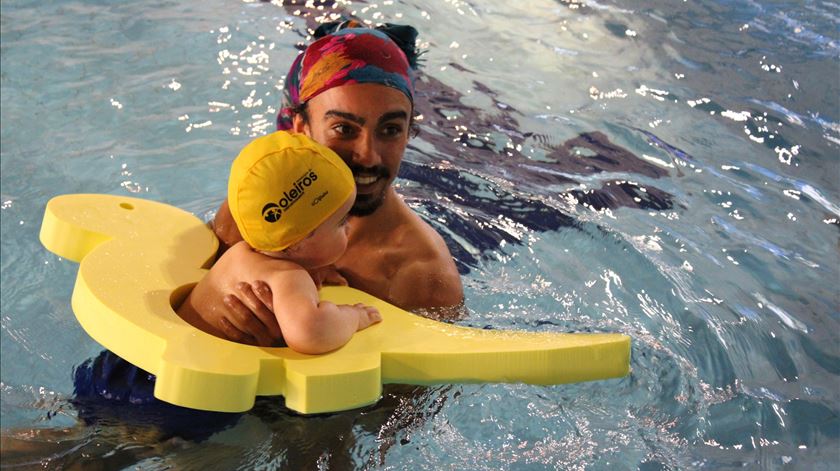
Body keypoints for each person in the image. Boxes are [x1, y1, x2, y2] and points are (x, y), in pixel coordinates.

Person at [207, 23, 464, 346]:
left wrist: (284, 350)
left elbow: (419, 392)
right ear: (301, 128)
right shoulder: (258, 206)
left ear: (410, 130)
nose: (368, 156)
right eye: (344, 129)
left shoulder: (421, 276)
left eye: (390, 130)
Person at [178, 130, 381, 354]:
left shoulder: (236, 253)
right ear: (298, 241)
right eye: (341, 222)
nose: (350, 227)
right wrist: (352, 316)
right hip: (200, 383)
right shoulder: (288, 277)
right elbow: (310, 334)